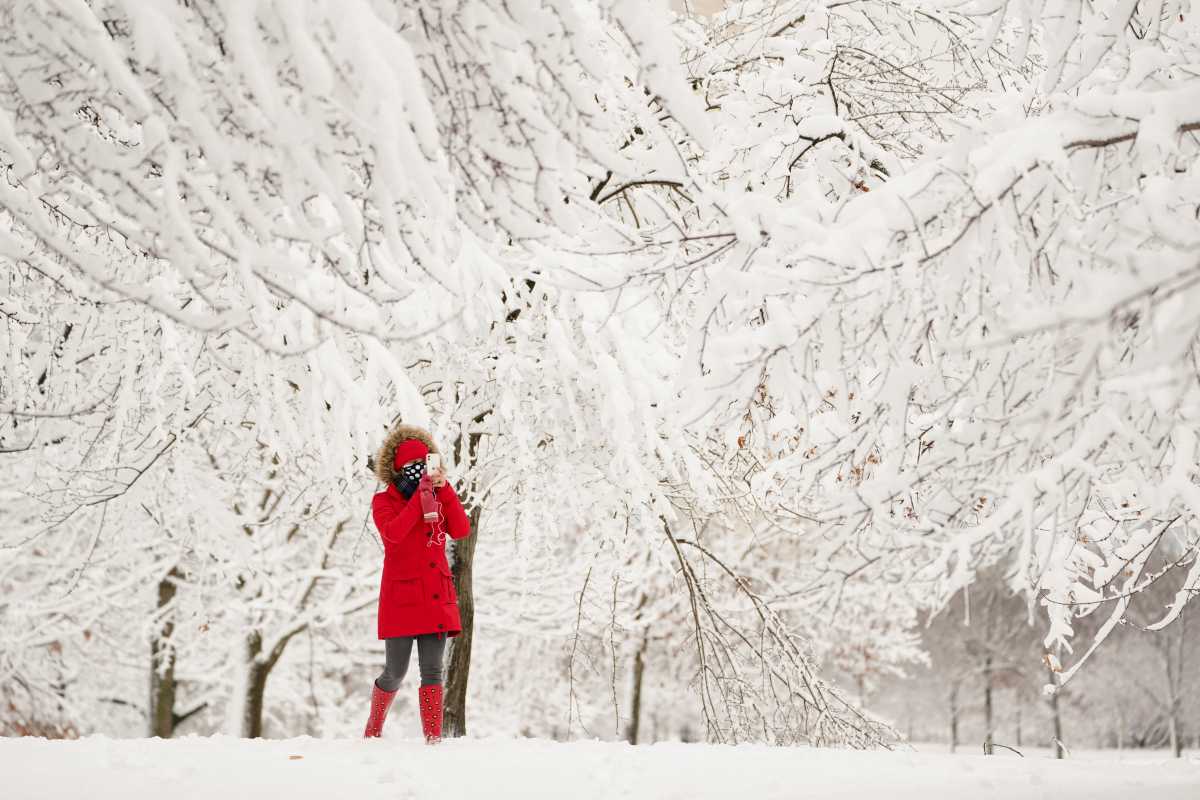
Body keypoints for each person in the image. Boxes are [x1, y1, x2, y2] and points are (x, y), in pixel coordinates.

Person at [363, 423, 471, 743]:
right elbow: (393, 536)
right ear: (397, 470)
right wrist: (419, 497)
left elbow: (461, 529)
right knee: (395, 671)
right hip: (402, 597)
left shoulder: (438, 494)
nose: (416, 472)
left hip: (436, 594)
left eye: (421, 465)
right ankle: (374, 726)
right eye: (410, 468)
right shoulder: (383, 501)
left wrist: (444, 489)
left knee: (433, 670)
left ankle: (432, 740)